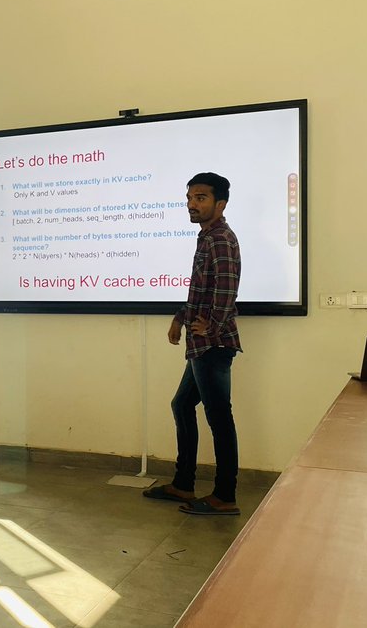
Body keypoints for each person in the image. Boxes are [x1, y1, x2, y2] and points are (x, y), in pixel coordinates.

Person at [143, 172, 243, 516]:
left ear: (220, 203)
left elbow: (226, 291)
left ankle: (224, 497)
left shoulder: (220, 239)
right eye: (189, 197)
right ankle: (183, 484)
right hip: (201, 344)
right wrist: (180, 317)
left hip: (213, 345)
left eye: (200, 198)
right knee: (182, 406)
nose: (192, 204)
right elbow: (200, 289)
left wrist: (210, 327)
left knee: (219, 418)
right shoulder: (206, 237)